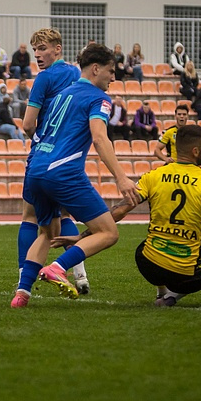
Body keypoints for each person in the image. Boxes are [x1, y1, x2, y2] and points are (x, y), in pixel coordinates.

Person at [53, 124, 201, 307]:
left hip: (149, 265)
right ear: (195, 151)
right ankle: (172, 297)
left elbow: (120, 210)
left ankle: (160, 292)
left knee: (148, 245)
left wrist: (83, 235)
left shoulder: (153, 176)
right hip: (187, 275)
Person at [11, 43, 139, 308]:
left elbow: (36, 129)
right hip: (64, 171)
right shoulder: (99, 98)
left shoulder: (62, 95)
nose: (113, 77)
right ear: (96, 69)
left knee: (47, 233)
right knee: (108, 232)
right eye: (111, 71)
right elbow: (100, 138)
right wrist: (121, 177)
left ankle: (21, 295)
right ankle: (58, 268)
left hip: (36, 169)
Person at [19, 27, 91, 295]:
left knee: (30, 215)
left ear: (57, 48)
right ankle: (80, 275)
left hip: (45, 153)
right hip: (70, 153)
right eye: (35, 50)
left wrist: (39, 141)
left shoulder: (44, 77)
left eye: (42, 49)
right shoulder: (77, 74)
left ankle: (23, 278)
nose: (37, 55)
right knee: (65, 213)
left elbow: (28, 124)